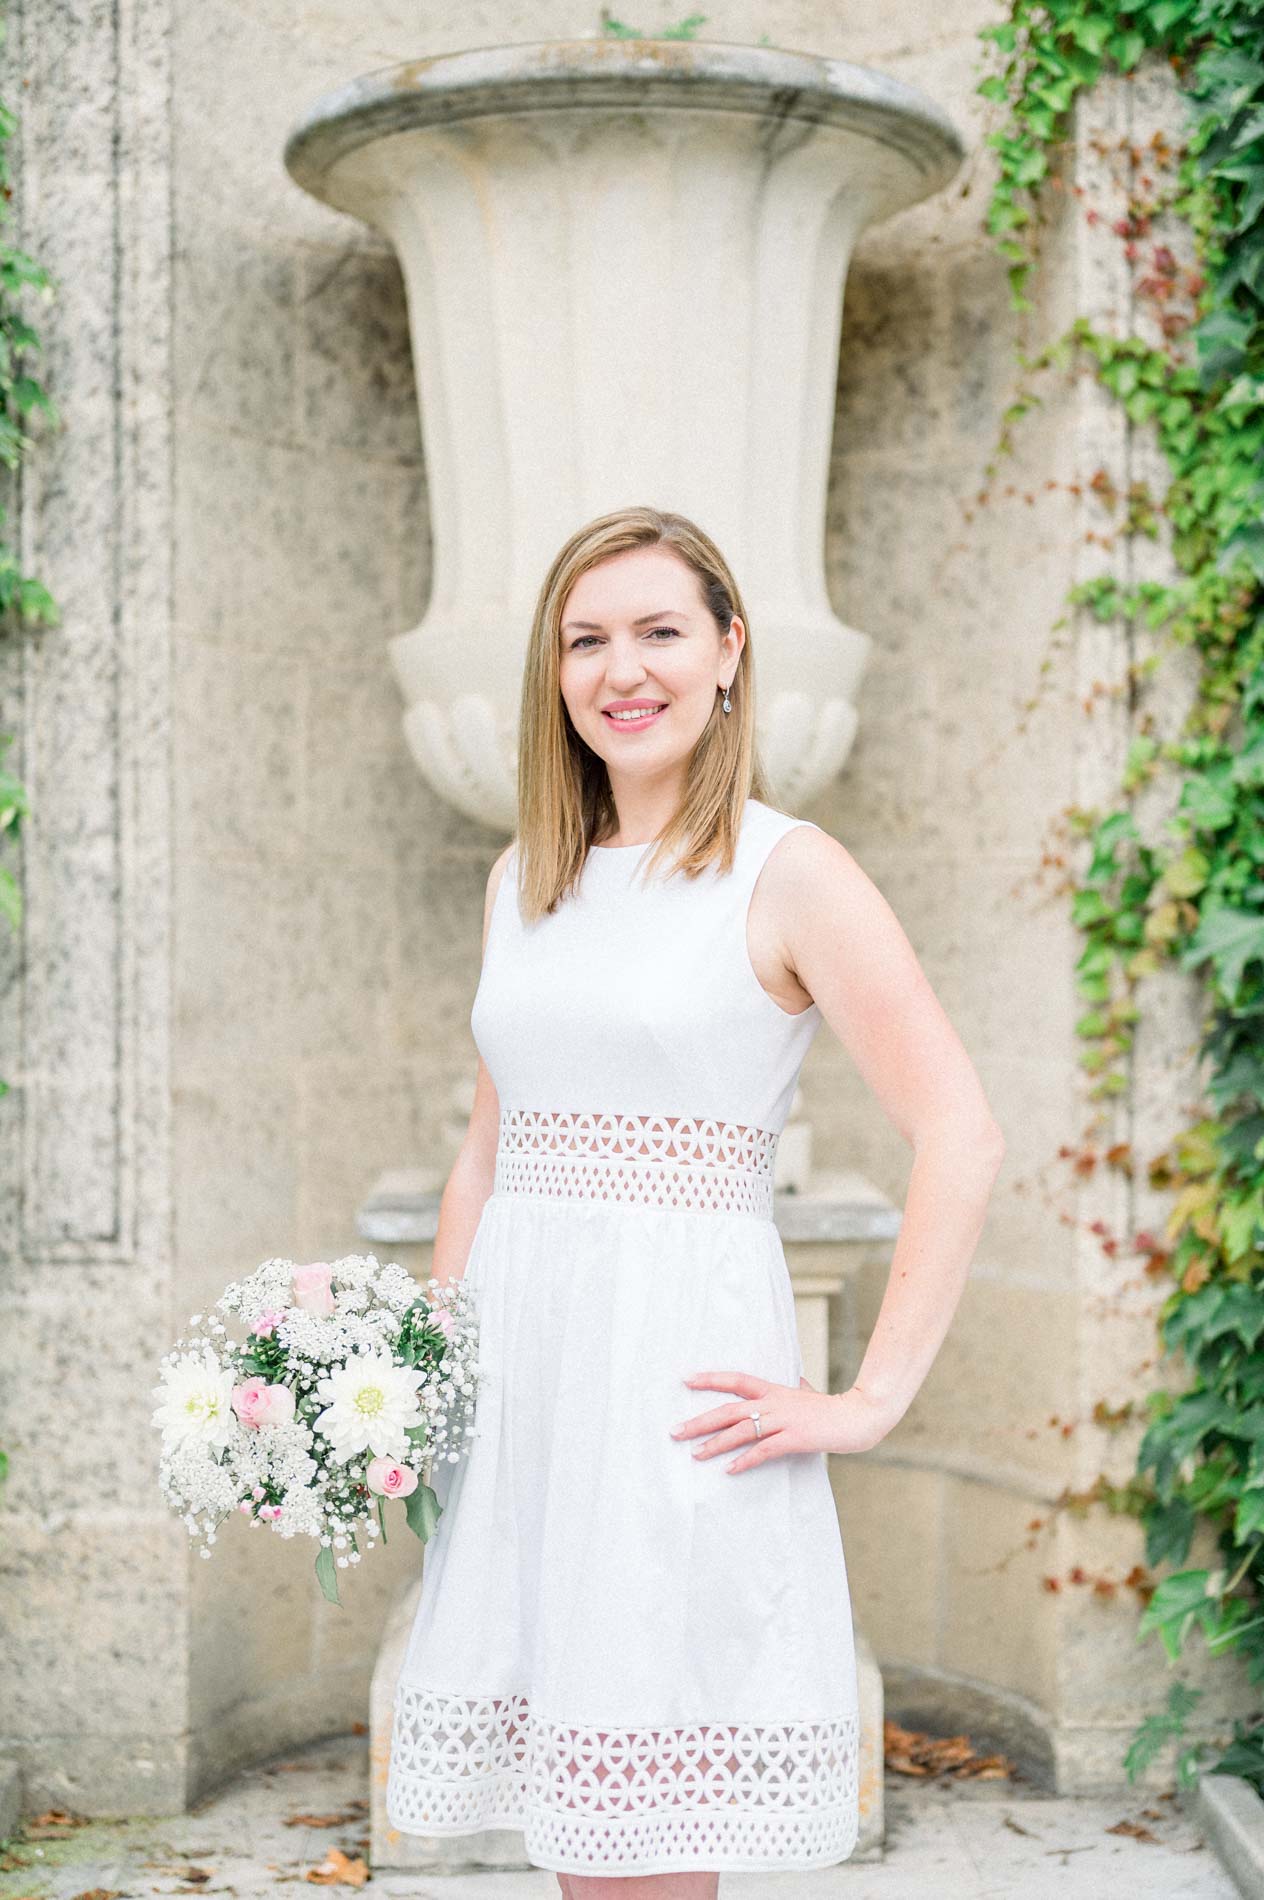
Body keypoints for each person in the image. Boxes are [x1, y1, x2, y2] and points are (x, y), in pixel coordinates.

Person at [385, 505, 1005, 1898]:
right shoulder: (521, 880)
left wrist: (872, 1399)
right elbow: (490, 1154)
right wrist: (430, 1371)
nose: (625, 670)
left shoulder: (791, 874)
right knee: (577, 1835)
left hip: (672, 1392)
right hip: (531, 1388)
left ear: (729, 651)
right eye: (587, 640)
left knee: (651, 1838)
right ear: (554, 674)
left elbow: (960, 1128)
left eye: (661, 632)